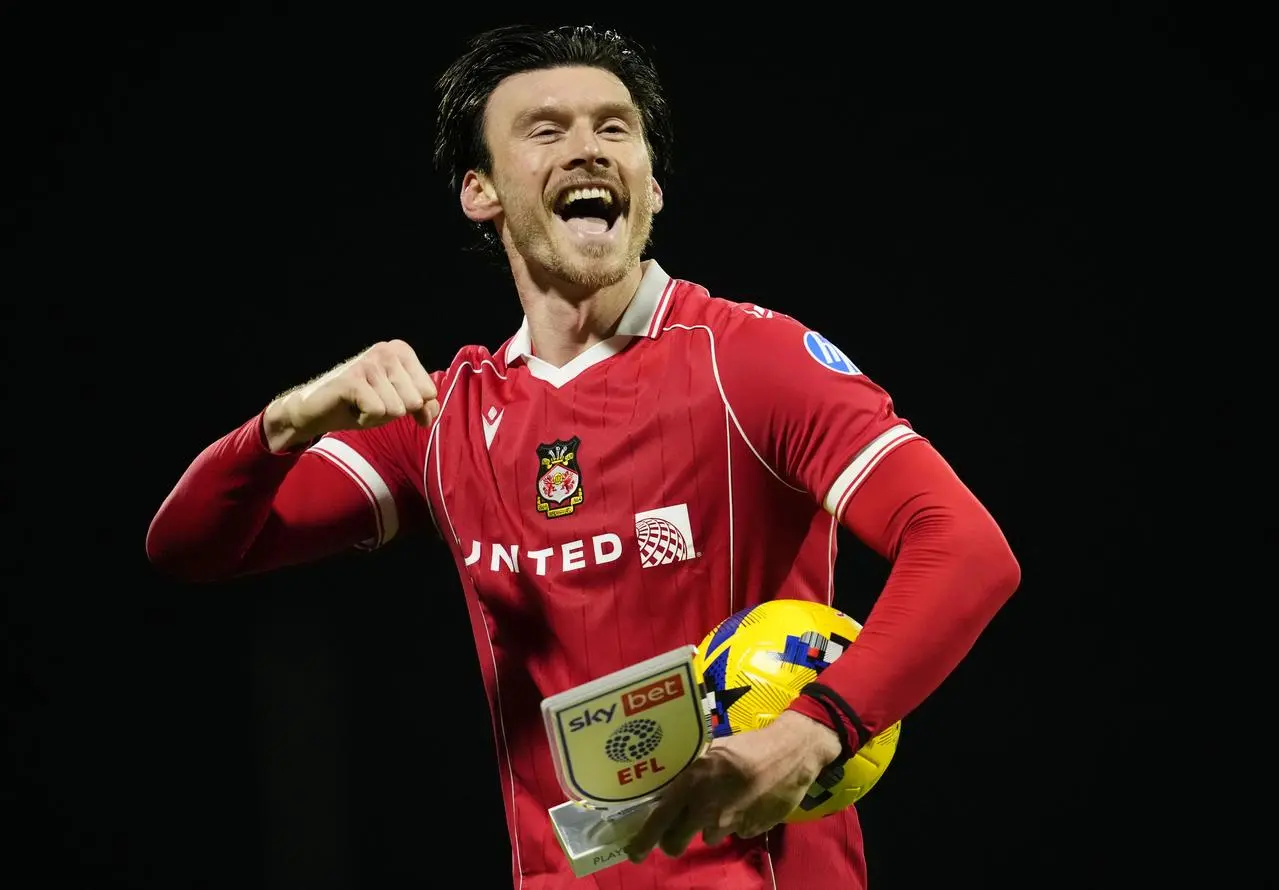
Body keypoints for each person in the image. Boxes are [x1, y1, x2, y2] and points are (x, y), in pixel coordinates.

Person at [146, 23, 1021, 889]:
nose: (588, 149)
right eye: (545, 130)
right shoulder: (443, 418)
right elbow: (191, 547)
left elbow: (966, 550)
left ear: (652, 185)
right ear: (480, 191)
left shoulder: (749, 362)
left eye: (614, 128)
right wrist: (287, 420)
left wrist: (817, 727)